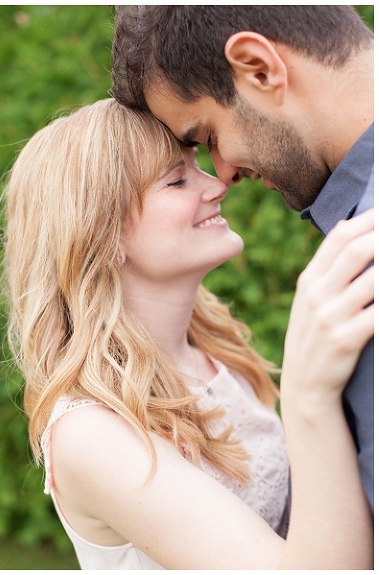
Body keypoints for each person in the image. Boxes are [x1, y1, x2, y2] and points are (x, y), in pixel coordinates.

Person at [2, 99, 374, 569]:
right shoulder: (92, 434)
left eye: (197, 165)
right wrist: (308, 397)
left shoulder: (215, 350)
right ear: (102, 235)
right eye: (176, 180)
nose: (218, 185)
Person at [111, 5, 374, 512]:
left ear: (259, 67)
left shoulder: (366, 255)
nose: (224, 175)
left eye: (208, 137)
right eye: (179, 176)